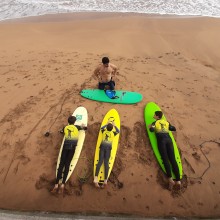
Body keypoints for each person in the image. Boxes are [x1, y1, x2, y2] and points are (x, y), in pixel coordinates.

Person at [51, 115, 86, 194]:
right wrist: (83, 126)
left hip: (65, 147)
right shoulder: (77, 127)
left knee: (61, 165)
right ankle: (63, 184)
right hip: (72, 148)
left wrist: (61, 130)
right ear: (74, 122)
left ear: (68, 122)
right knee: (67, 164)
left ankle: (56, 185)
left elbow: (61, 131)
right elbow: (85, 128)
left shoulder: (65, 128)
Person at [148, 111, 181, 190]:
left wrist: (150, 126)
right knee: (173, 160)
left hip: (161, 141)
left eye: (154, 115)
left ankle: (170, 179)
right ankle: (178, 181)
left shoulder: (154, 122)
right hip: (169, 140)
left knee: (165, 159)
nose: (153, 115)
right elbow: (173, 128)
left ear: (157, 116)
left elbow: (151, 130)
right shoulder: (166, 122)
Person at [94, 120, 120, 188]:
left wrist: (106, 124)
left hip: (102, 147)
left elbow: (101, 128)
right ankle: (105, 180)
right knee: (106, 163)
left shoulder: (104, 131)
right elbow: (118, 131)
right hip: (108, 149)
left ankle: (96, 178)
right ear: (112, 129)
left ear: (107, 128)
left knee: (100, 161)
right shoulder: (113, 133)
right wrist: (114, 125)